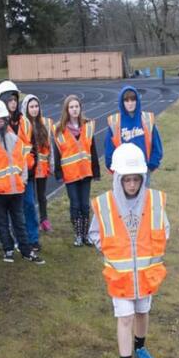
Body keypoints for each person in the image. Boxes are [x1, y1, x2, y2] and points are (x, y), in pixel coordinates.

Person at [88, 144, 169, 358]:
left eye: (136, 179)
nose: (132, 184)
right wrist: (111, 250)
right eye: (127, 180)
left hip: (146, 275)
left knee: (142, 313)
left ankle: (140, 346)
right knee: (125, 318)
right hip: (120, 277)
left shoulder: (154, 201)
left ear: (142, 178)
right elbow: (95, 233)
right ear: (119, 179)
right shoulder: (106, 204)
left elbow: (165, 229)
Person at [0, 99, 43, 265]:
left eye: (2, 119)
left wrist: (23, 180)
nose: (1, 122)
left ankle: (26, 250)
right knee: (2, 223)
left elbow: (23, 161)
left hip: (16, 190)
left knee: (19, 222)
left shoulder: (15, 139)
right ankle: (8, 249)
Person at [0, 80, 40, 251]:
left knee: (29, 206)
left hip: (25, 174)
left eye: (15, 99)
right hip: (7, 177)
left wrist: (31, 166)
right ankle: (18, 239)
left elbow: (33, 147)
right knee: (14, 211)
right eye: (10, 100)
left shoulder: (25, 123)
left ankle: (33, 238)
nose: (13, 103)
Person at [53, 94, 100, 246]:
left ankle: (85, 235)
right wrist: (58, 173)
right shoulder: (59, 129)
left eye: (77, 106)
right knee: (75, 204)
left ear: (80, 108)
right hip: (71, 174)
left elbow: (93, 150)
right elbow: (57, 152)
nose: (74, 109)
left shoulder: (87, 126)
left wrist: (96, 171)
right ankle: (78, 235)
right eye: (71, 107)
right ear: (67, 109)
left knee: (85, 205)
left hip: (85, 172)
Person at [104, 84, 163, 175]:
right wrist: (113, 168)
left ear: (137, 101)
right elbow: (109, 149)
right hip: (121, 170)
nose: (130, 103)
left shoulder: (147, 119)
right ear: (122, 102)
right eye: (126, 101)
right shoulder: (114, 121)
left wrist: (151, 165)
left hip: (143, 169)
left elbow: (157, 146)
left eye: (133, 100)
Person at [22, 94, 54, 233]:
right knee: (30, 197)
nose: (34, 109)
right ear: (26, 108)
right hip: (29, 167)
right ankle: (32, 220)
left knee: (42, 195)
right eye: (31, 107)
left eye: (36, 106)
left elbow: (50, 145)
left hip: (42, 166)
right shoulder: (23, 124)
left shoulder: (45, 123)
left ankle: (44, 219)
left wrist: (51, 163)